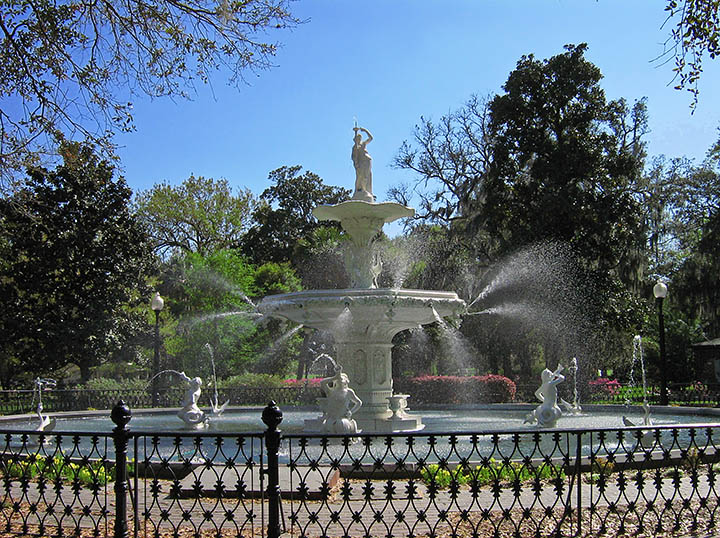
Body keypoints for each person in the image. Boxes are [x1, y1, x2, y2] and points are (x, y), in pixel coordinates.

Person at [318, 367, 362, 434]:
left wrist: (351, 412)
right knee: (326, 429)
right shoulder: (331, 391)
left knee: (341, 426)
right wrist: (335, 377)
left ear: (346, 381)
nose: (340, 379)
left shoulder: (349, 392)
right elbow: (322, 383)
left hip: (343, 419)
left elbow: (359, 402)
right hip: (331, 418)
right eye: (338, 378)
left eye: (342, 378)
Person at [351, 126, 374, 202]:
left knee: (367, 176)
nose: (359, 140)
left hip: (367, 161)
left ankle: (365, 190)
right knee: (360, 177)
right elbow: (354, 157)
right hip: (361, 163)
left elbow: (371, 138)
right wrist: (356, 164)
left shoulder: (363, 144)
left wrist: (365, 130)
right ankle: (358, 190)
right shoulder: (355, 147)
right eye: (358, 138)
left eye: (360, 138)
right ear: (355, 139)